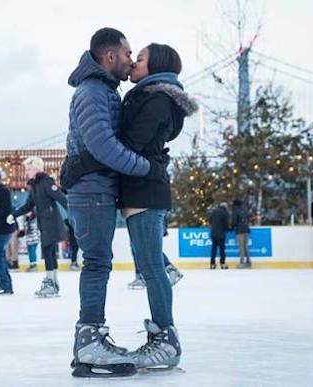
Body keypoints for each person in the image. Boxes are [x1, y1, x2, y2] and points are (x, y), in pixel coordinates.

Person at [62, 28, 170, 378]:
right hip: (91, 192)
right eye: (127, 54)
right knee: (96, 264)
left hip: (97, 190)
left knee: (98, 263)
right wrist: (147, 168)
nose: (130, 61)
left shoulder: (104, 91)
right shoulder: (92, 92)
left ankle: (90, 338)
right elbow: (104, 147)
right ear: (110, 56)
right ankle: (89, 338)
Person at [114, 43, 195, 369]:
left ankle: (166, 338)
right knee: (150, 267)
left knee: (151, 269)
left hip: (146, 193)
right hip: (140, 191)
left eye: (141, 58)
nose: (134, 62)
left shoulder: (157, 100)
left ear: (156, 66)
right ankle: (163, 335)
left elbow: (130, 142)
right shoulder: (149, 96)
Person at [12, 156, 67, 297]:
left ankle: (50, 282)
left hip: (52, 223)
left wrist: (75, 214)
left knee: (47, 251)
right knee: (48, 252)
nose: (27, 172)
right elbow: (28, 205)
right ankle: (53, 282)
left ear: (37, 168)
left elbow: (62, 198)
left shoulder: (46, 182)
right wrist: (14, 214)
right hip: (44, 224)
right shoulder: (35, 186)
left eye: (29, 169)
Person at [128, 216, 184, 289]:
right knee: (137, 244)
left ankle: (171, 269)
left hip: (148, 214)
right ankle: (140, 276)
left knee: (145, 245)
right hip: (137, 214)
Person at [209, 202, 230, 270]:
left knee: (214, 249)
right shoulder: (225, 212)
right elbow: (226, 223)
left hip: (213, 233)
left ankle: (212, 264)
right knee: (222, 249)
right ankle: (222, 263)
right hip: (221, 234)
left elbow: (210, 220)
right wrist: (228, 229)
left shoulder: (214, 211)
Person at [232, 199, 251, 269]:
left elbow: (234, 222)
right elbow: (249, 218)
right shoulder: (245, 210)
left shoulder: (235, 211)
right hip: (247, 230)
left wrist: (232, 227)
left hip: (240, 231)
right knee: (245, 246)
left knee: (241, 247)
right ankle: (248, 261)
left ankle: (242, 262)